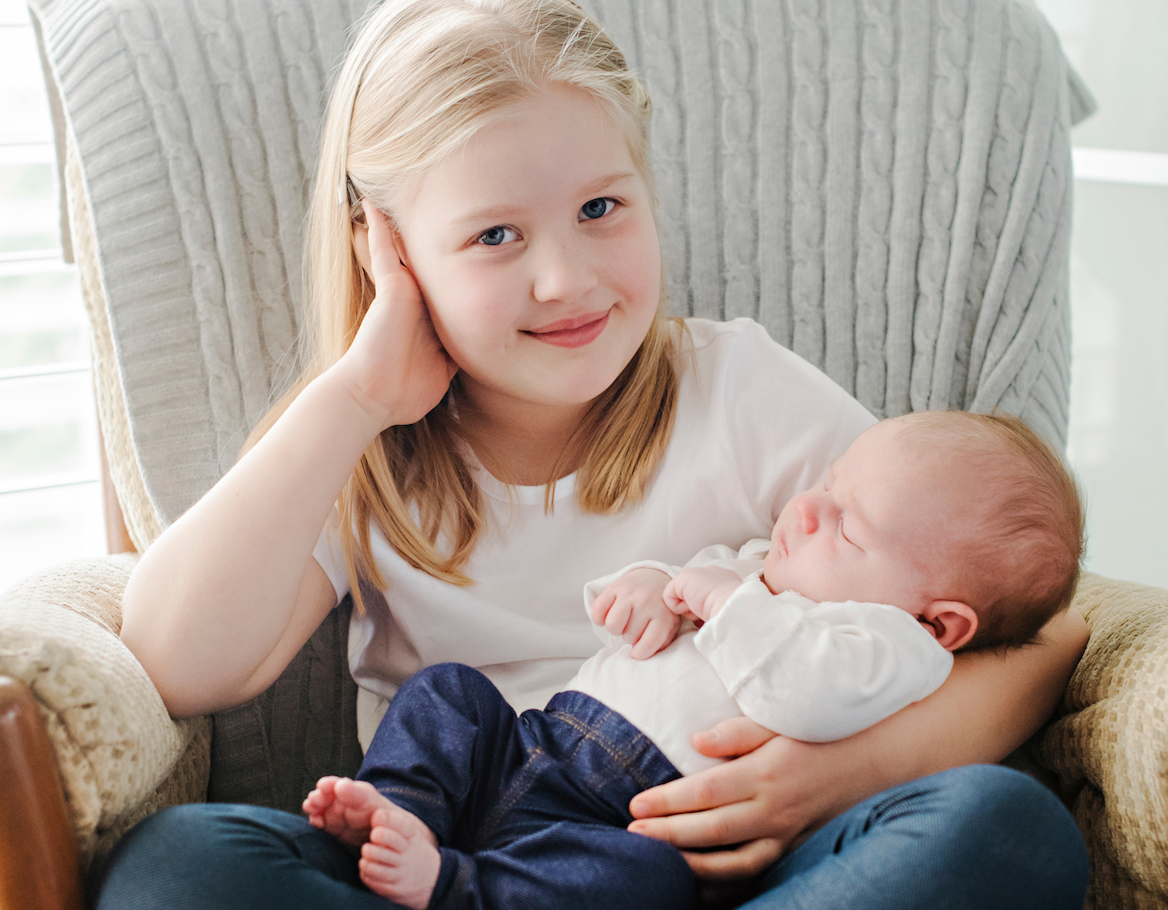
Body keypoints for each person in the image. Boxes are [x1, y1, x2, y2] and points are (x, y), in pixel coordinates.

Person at [96, 1, 1092, 908]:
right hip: (447, 859)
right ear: (387, 252)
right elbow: (176, 662)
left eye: (601, 209)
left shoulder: (738, 387)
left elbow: (1039, 637)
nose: (565, 278)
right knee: (177, 864)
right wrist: (356, 396)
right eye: (494, 235)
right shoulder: (364, 444)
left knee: (1008, 831)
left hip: (712, 863)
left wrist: (838, 775)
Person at [301, 410, 1085, 910]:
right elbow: (666, 598)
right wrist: (646, 590)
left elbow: (806, 694)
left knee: (645, 883)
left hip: (627, 820)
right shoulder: (762, 567)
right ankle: (399, 810)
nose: (806, 510)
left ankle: (454, 889)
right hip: (538, 743)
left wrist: (724, 601)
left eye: (848, 528)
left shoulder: (890, 645)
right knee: (449, 692)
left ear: (940, 620)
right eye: (826, 486)